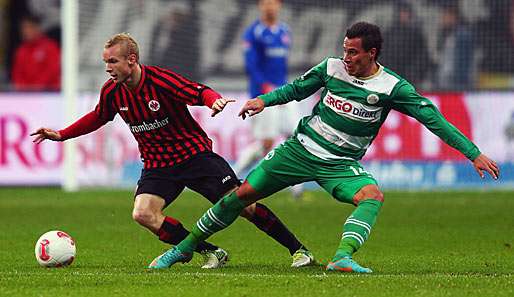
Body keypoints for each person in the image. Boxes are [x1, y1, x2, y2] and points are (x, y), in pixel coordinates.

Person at [148, 22, 500, 272]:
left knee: (372, 196)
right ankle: (183, 249)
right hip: (299, 150)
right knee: (240, 196)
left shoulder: (393, 87)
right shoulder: (331, 68)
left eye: (353, 52)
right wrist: (263, 101)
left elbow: (433, 121)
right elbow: (296, 89)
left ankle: (342, 257)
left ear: (371, 53)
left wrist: (474, 154)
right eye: (344, 49)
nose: (346, 57)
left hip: (340, 163)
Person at [30, 33, 315, 269]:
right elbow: (99, 115)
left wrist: (213, 101)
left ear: (132, 60)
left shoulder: (160, 80)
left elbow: (197, 90)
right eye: (105, 62)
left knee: (244, 206)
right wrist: (62, 134)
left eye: (112, 61)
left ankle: (299, 250)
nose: (108, 68)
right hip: (158, 166)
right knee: (143, 214)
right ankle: (209, 251)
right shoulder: (112, 91)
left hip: (194, 156)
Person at [235, 0, 303, 197]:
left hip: (284, 92)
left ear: (279, 5)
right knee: (267, 142)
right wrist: (264, 87)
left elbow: (281, 65)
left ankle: (297, 188)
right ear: (260, 6)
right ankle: (233, 174)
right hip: (263, 95)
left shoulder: (284, 31)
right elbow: (251, 66)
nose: (270, 7)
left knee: (296, 136)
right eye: (265, 3)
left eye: (273, 3)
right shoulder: (253, 33)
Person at [381, 3, 433, 86]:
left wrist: (414, 73)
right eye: (402, 13)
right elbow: (383, 55)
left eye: (407, 13)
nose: (405, 15)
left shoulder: (416, 34)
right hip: (392, 77)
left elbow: (423, 56)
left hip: (411, 78)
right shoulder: (389, 33)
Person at [11, 14, 60, 91]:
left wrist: (36, 87)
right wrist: (24, 88)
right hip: (25, 94)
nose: (25, 31)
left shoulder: (50, 47)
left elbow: (52, 71)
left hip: (50, 93)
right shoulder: (21, 50)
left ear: (37, 28)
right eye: (24, 28)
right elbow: (17, 74)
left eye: (29, 27)